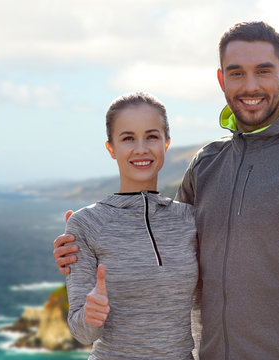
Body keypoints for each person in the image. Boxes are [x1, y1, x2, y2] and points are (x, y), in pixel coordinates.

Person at [54, 21, 279, 359]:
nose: (250, 85)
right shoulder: (206, 162)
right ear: (222, 79)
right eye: (236, 73)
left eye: (263, 71)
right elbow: (171, 246)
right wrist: (82, 250)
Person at [63, 92, 198, 359]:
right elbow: (81, 333)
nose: (141, 148)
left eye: (152, 136)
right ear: (111, 148)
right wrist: (92, 315)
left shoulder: (191, 219)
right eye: (127, 138)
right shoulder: (85, 224)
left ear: (166, 144)